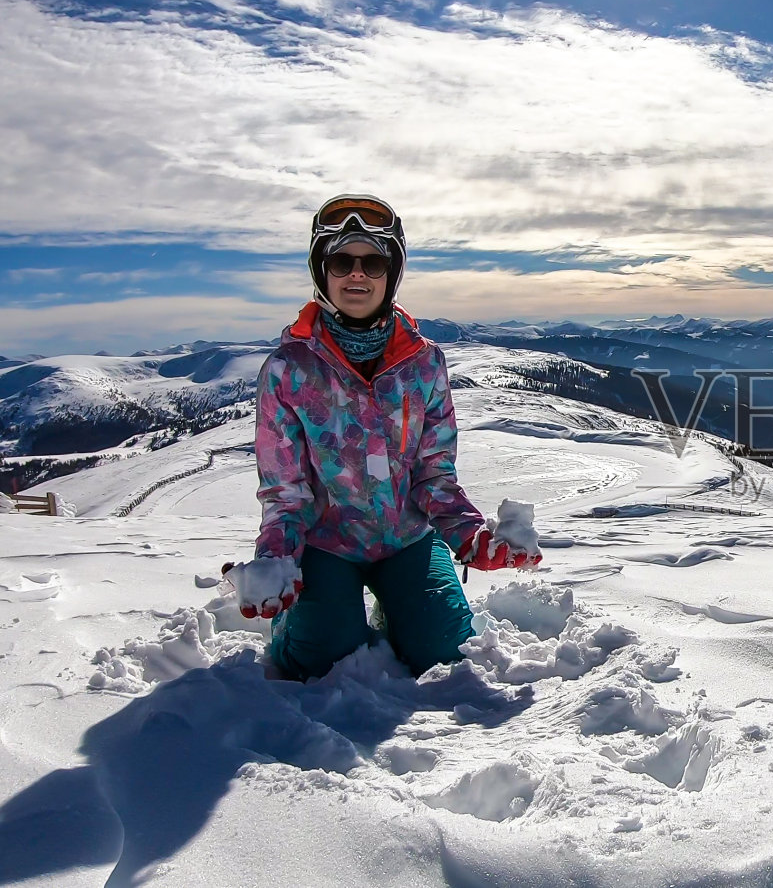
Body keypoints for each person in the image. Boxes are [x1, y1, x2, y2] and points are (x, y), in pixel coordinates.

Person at [226, 194, 539, 681]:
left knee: (445, 651)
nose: (357, 274)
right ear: (321, 271)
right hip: (325, 543)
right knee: (318, 659)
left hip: (407, 538)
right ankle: (299, 617)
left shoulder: (424, 363)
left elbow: (435, 472)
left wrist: (471, 537)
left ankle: (399, 610)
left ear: (391, 273)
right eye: (342, 261)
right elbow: (284, 490)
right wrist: (276, 561)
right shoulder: (288, 371)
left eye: (373, 261)